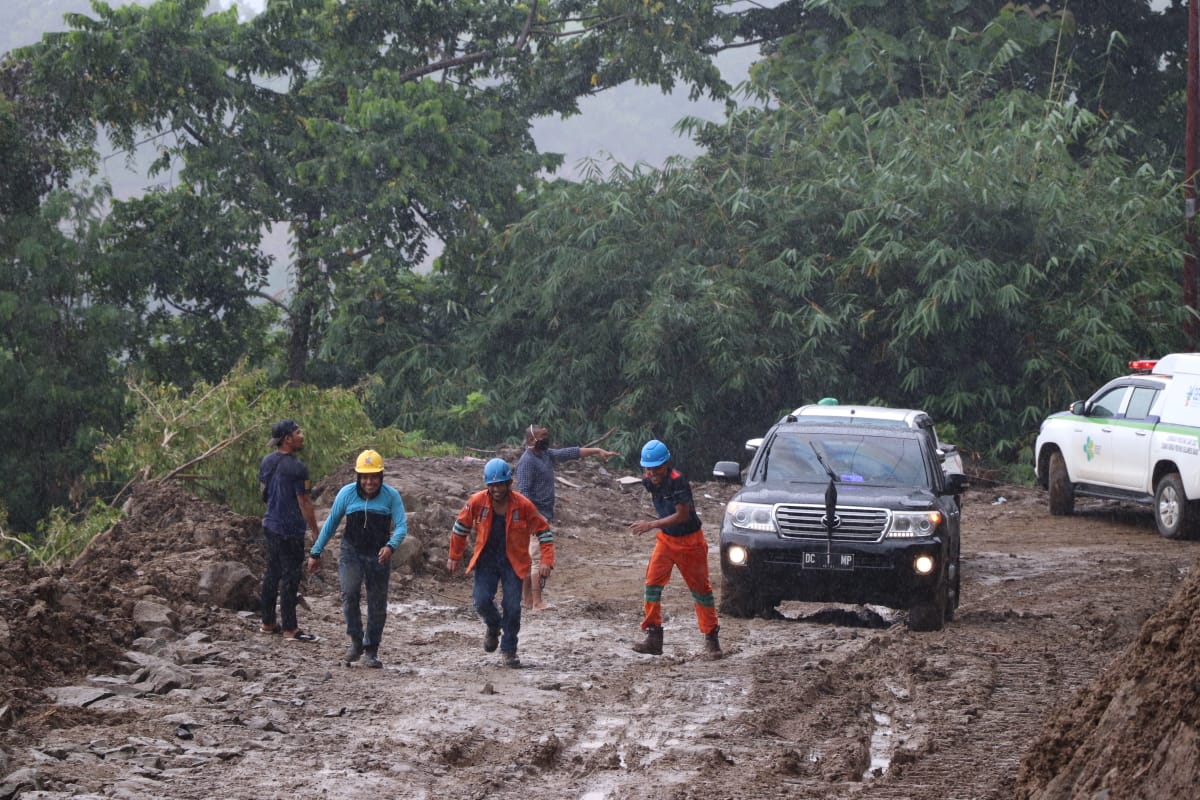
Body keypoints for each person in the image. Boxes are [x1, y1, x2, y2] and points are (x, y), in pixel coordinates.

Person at [447, 458, 554, 668]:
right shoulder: (476, 502)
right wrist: (454, 556)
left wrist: (546, 561)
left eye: (501, 484)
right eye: (492, 485)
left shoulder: (523, 505)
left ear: (509, 483)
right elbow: (460, 528)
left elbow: (544, 531)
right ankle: (494, 625)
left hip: (513, 561)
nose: (496, 489)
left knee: (513, 606)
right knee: (481, 600)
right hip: (486, 559)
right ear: (487, 485)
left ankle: (509, 650)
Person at [306, 449, 407, 668]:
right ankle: (355, 640)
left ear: (381, 477)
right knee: (349, 593)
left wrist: (391, 546)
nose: (369, 482)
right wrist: (316, 552)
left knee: (377, 602)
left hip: (379, 554)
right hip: (351, 551)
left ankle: (371, 649)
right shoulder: (346, 494)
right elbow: (331, 524)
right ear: (358, 477)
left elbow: (401, 526)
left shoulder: (391, 496)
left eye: (373, 477)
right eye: (365, 477)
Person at [627, 439, 721, 659]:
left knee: (701, 591)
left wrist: (650, 524)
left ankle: (711, 638)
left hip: (691, 542)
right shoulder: (647, 481)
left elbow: (682, 515)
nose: (652, 473)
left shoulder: (678, 482)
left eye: (657, 468)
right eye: (648, 469)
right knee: (651, 584)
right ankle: (654, 636)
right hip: (667, 541)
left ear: (667, 463)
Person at [515, 423, 619, 610]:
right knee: (538, 560)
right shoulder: (527, 462)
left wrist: (597, 450)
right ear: (531, 439)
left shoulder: (545, 455)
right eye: (543, 436)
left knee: (531, 560)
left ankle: (528, 601)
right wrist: (535, 518)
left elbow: (571, 453)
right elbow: (523, 495)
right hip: (535, 518)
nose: (546, 439)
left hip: (542, 515)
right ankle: (537, 602)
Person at [258, 419, 322, 642]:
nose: (301, 436)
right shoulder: (297, 468)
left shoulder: (267, 461)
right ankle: (290, 629)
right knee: (291, 577)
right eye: (298, 432)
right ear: (288, 438)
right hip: (290, 529)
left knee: (272, 573)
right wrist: (316, 532)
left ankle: (267, 622)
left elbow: (264, 494)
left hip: (270, 525)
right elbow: (304, 502)